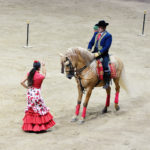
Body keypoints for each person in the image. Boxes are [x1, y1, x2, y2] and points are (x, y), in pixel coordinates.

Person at [20, 60, 55, 132]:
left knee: (31, 109)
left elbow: (21, 82)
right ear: (39, 68)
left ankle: (30, 126)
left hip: (30, 93)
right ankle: (39, 126)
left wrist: (28, 87)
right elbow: (44, 74)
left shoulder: (29, 73)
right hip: (36, 94)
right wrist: (44, 66)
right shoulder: (40, 76)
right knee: (39, 109)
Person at [88, 20, 112, 89]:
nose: (98, 28)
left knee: (105, 66)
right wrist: (89, 49)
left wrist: (98, 53)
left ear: (104, 28)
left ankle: (107, 82)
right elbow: (91, 42)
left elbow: (106, 47)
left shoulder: (108, 36)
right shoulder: (96, 34)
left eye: (99, 27)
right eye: (98, 27)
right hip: (94, 52)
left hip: (103, 54)